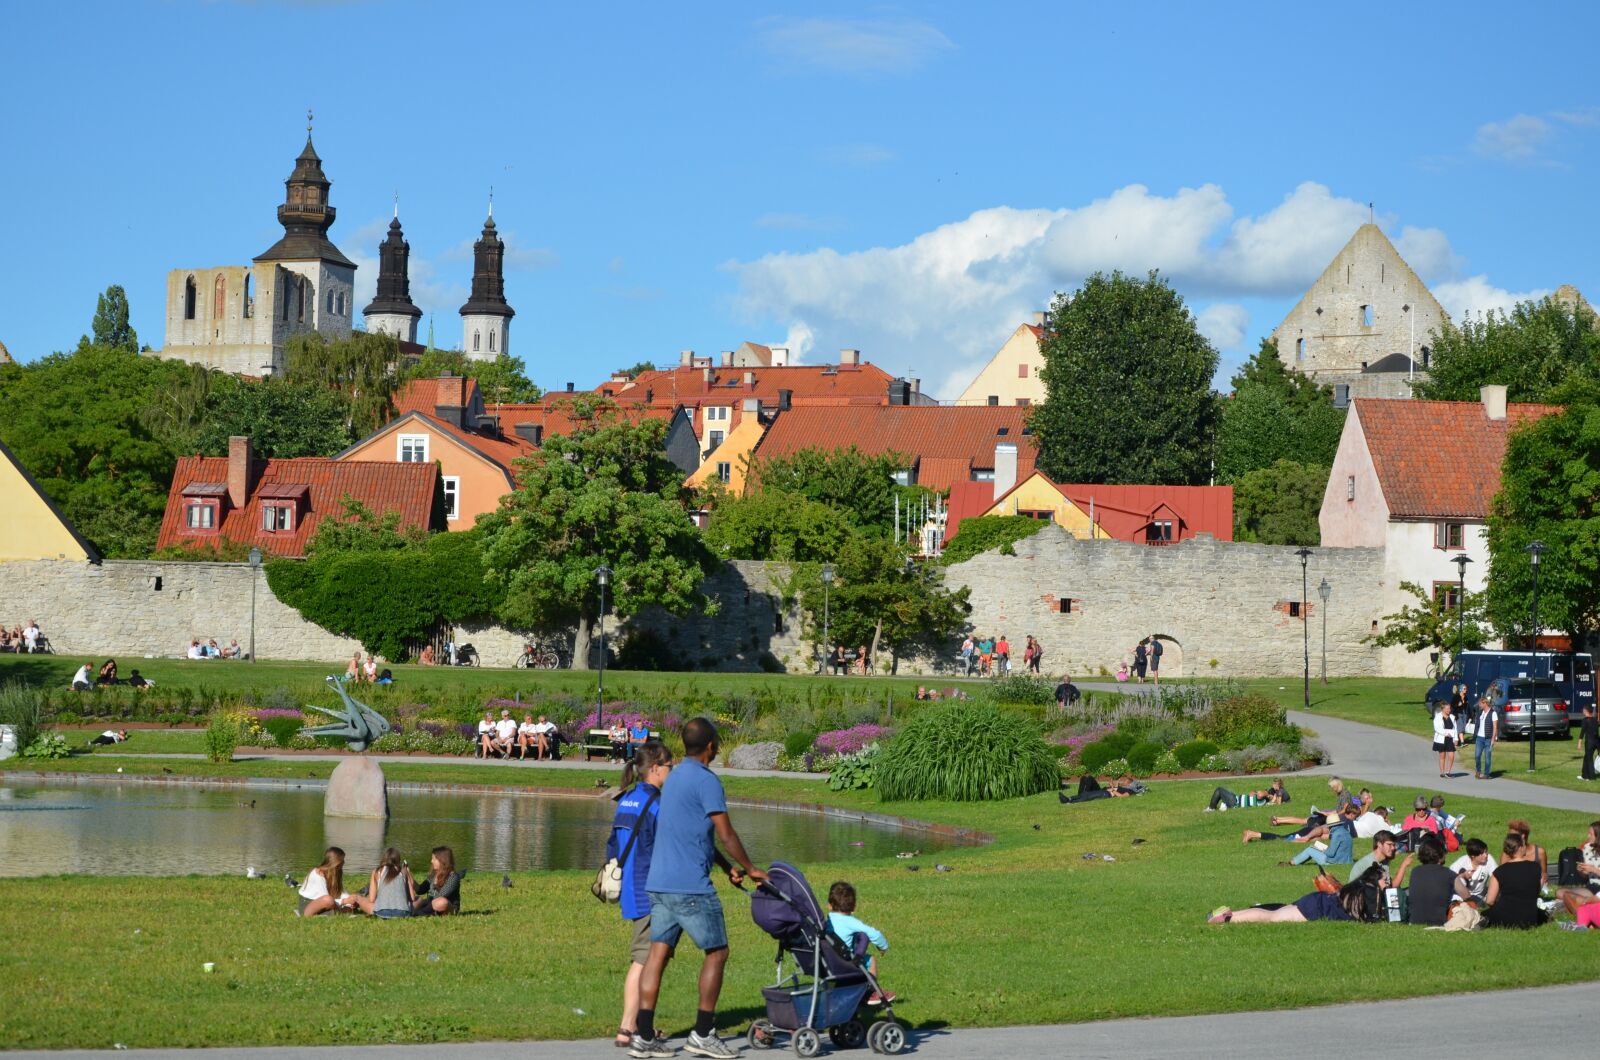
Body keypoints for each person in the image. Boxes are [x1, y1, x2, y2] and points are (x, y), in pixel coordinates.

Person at [632, 718, 766, 1060]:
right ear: (711, 745)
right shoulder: (707, 782)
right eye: (717, 741)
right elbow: (725, 833)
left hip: (659, 883)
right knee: (717, 952)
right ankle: (703, 1033)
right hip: (690, 887)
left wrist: (726, 868)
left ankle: (644, 1036)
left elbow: (694, 832)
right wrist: (751, 869)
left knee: (657, 956)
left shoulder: (672, 777)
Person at [609, 740, 673, 1050]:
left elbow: (612, 845)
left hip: (629, 888)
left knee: (645, 959)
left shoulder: (627, 799)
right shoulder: (657, 804)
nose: (672, 771)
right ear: (656, 768)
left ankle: (635, 1025)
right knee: (643, 961)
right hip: (648, 890)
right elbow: (667, 847)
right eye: (670, 766)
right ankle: (628, 1027)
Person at [1207, 865, 1384, 924]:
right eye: (1385, 880)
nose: (1387, 883)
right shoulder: (1368, 894)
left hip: (1316, 902)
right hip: (1314, 908)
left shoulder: (1359, 889)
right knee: (1272, 918)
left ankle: (1230, 914)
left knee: (1274, 913)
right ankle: (1229, 919)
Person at [827, 881, 894, 1005]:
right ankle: (871, 992)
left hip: (828, 961)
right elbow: (872, 933)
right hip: (845, 962)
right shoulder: (851, 922)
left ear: (829, 906)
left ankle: (833, 994)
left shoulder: (827, 921)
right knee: (870, 959)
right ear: (854, 907)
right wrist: (883, 946)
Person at [1484, 833, 1547, 928]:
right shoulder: (1535, 867)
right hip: (1530, 918)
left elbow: (1490, 901)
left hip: (1505, 919)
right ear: (1520, 848)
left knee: (1484, 914)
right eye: (1524, 844)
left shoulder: (1499, 871)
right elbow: (1536, 891)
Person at [1407, 837, 1469, 926]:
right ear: (1440, 855)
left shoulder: (1415, 871)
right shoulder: (1448, 873)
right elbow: (1466, 896)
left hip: (1414, 921)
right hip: (1439, 921)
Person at [344, 847, 415, 918]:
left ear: (384, 858)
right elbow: (412, 898)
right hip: (403, 913)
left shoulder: (377, 871)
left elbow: (372, 899)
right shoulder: (404, 871)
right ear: (398, 860)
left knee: (357, 898)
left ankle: (343, 905)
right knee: (418, 900)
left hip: (381, 913)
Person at [1556, 821, 1600, 928]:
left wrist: (1594, 870)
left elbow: (1594, 870)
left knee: (1567, 898)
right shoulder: (1588, 848)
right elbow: (1585, 877)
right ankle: (1585, 905)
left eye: (1590, 834)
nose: (1588, 836)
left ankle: (1580, 908)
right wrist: (1582, 872)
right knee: (1560, 892)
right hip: (1593, 887)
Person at [296, 847, 348, 917]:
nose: (344, 862)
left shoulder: (336, 872)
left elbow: (340, 891)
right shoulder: (318, 874)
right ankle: (339, 911)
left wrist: (350, 899)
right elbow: (325, 898)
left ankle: (336, 911)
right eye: (342, 860)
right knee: (328, 900)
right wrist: (344, 901)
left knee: (353, 901)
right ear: (335, 861)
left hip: (322, 901)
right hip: (308, 904)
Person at [411, 845, 462, 916]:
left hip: (447, 907)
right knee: (416, 900)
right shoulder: (433, 875)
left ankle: (419, 913)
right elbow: (420, 890)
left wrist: (423, 903)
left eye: (434, 859)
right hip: (430, 904)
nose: (431, 861)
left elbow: (441, 895)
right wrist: (408, 876)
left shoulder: (453, 877)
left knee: (441, 902)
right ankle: (425, 912)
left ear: (442, 860)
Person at [1450, 837, 1498, 904]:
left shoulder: (1489, 859)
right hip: (1462, 895)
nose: (1486, 855)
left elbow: (1498, 876)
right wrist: (1462, 876)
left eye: (1486, 852)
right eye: (1482, 854)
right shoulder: (1461, 863)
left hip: (1481, 894)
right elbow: (1449, 879)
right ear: (1473, 856)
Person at [1506, 819, 1548, 885]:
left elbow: (1544, 876)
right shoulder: (1507, 852)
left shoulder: (1540, 852)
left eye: (1512, 836)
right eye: (1509, 836)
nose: (1509, 839)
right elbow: (1502, 876)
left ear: (1523, 836)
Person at [1209, 778, 1289, 812]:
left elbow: (1260, 795)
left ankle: (1211, 808)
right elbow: (1251, 793)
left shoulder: (1265, 798)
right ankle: (1225, 804)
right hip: (1235, 798)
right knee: (1224, 791)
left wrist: (1266, 794)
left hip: (1235, 802)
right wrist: (1255, 792)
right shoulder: (1264, 798)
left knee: (1219, 790)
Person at [1433, 699, 1458, 777]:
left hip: (1450, 739)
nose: (1449, 710)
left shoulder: (1452, 717)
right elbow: (1437, 728)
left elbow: (1455, 729)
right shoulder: (1438, 717)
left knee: (1451, 755)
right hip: (1441, 739)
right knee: (1442, 756)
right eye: (1447, 709)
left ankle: (1448, 772)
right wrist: (1445, 733)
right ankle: (1442, 772)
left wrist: (1456, 738)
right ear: (1443, 709)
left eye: (1449, 708)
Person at [1580, 703, 1598, 782]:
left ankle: (1591, 777)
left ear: (1586, 711)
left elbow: (1582, 731)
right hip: (1596, 742)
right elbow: (1596, 732)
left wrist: (1579, 742)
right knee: (1586, 757)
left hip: (1589, 742)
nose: (1583, 711)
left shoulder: (1585, 720)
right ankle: (1584, 775)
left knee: (1589, 758)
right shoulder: (1595, 720)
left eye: (1584, 710)